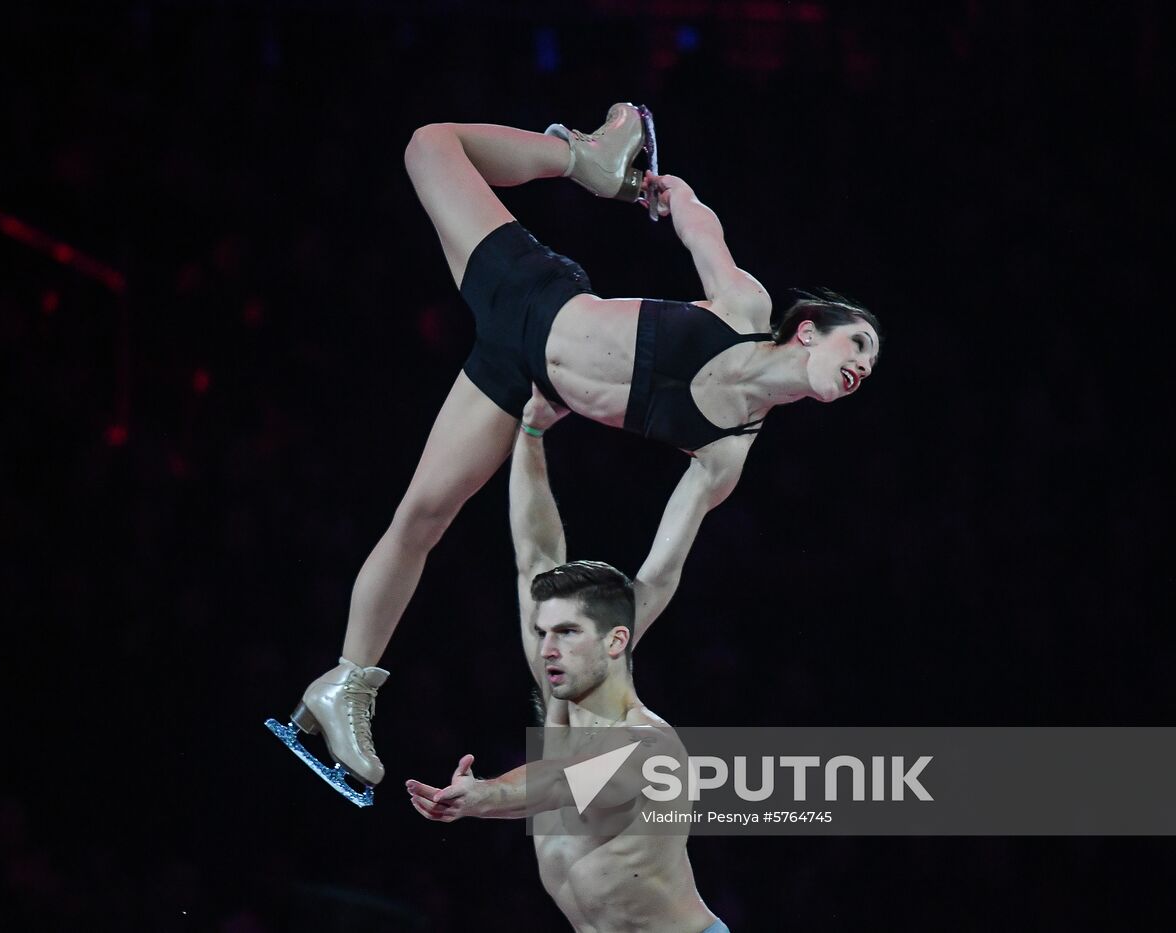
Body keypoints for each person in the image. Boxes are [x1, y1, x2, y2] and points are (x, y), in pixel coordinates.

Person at [280, 102, 881, 794]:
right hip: (535, 296)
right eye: (857, 342)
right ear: (808, 330)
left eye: (869, 366)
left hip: (518, 375)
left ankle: (343, 685)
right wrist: (672, 194)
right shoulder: (745, 310)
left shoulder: (728, 452)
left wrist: (607, 658)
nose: (862, 365)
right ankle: (581, 157)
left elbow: (658, 575)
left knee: (421, 517)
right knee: (429, 144)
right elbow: (702, 230)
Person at [406, 388, 730, 932]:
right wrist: (530, 433)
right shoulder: (561, 694)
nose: (545, 647)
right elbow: (532, 556)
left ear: (614, 641)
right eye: (543, 633)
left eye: (567, 633)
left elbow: (560, 783)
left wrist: (483, 795)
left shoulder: (650, 748)